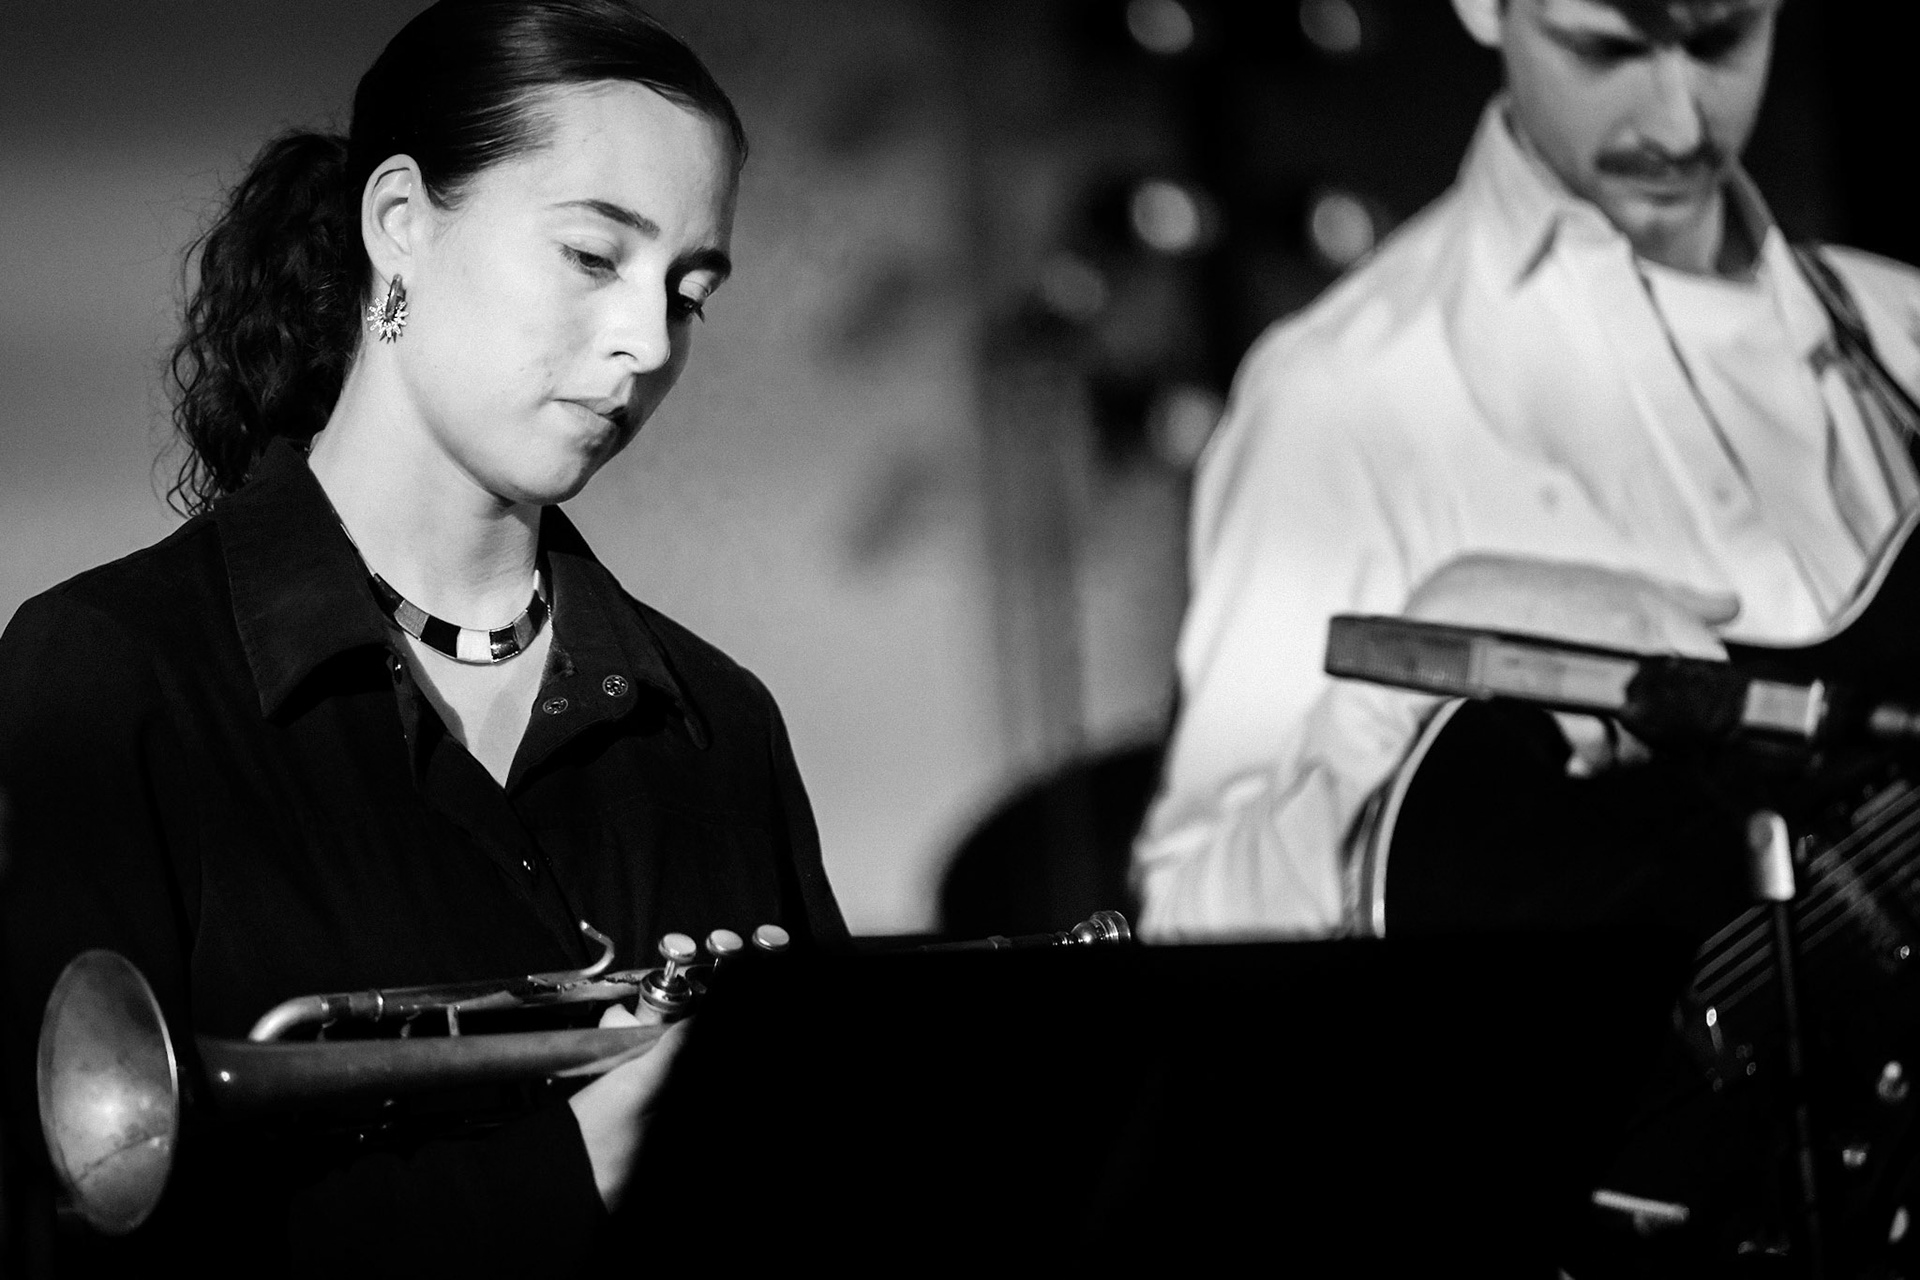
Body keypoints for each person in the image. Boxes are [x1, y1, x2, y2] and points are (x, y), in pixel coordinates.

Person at [0, 1, 844, 1273]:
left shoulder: (722, 727)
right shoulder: (110, 674)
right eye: (592, 256)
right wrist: (560, 1175)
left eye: (690, 294)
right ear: (399, 220)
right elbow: (48, 1225)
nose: (647, 340)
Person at [1132, 0, 1920, 939]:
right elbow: (1188, 926)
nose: (1679, 123)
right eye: (1606, 50)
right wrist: (1406, 675)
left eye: (1722, 41)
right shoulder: (1337, 397)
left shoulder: (1904, 323)